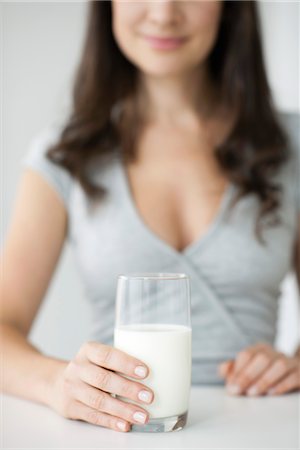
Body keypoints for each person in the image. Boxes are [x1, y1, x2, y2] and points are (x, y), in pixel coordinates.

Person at [1, 0, 299, 434]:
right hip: (117, 430)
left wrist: (293, 366)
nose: (163, 12)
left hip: (266, 428)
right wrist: (58, 383)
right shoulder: (63, 155)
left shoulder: (291, 146)